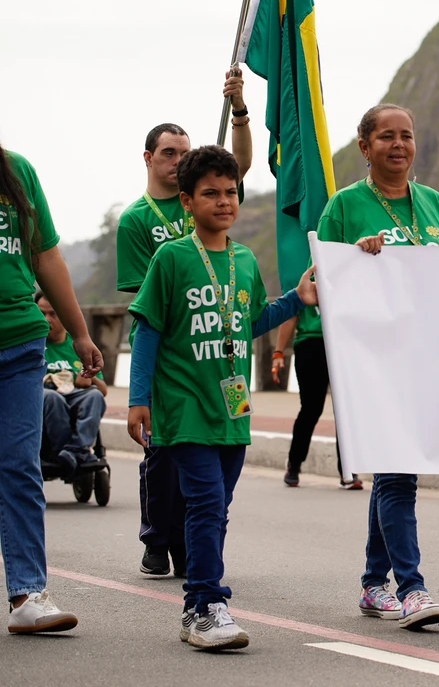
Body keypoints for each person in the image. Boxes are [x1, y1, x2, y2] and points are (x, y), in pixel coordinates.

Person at [317, 103, 439, 630]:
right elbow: (321, 282)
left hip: (431, 359)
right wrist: (355, 258)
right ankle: (412, 588)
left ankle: (373, 583)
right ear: (365, 147)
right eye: (386, 137)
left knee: (397, 470)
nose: (398, 145)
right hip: (377, 362)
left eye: (406, 136)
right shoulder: (345, 206)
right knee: (398, 472)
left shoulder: (434, 202)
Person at [126, 146, 316, 650]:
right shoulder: (171, 257)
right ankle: (207, 603)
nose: (224, 201)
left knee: (216, 507)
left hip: (232, 409)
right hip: (184, 405)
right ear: (187, 202)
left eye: (230, 191)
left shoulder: (244, 259)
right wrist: (138, 397)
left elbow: (249, 322)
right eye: (210, 193)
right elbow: (146, 328)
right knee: (208, 502)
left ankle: (198, 605)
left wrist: (296, 300)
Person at [117, 70, 253, 578]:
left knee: (214, 486)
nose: (177, 161)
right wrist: (140, 392)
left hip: (226, 373)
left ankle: (194, 549)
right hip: (175, 364)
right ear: (150, 158)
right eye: (168, 153)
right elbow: (145, 312)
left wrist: (238, 108)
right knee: (163, 459)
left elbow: (237, 165)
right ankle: (163, 541)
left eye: (184, 152)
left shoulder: (218, 214)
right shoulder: (138, 222)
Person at [2, 143, 102, 633]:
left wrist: (79, 334)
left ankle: (27, 594)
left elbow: (46, 257)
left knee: (19, 466)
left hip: (20, 342)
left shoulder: (16, 171)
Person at [273, 310, 361, 489]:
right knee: (311, 409)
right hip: (310, 344)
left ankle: (347, 472)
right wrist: (278, 352)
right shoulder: (301, 280)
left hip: (339, 343)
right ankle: (294, 465)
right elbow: (290, 314)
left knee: (343, 410)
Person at [37, 291, 107, 477]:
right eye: (42, 314)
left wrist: (90, 377)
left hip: (75, 395)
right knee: (50, 397)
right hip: (45, 396)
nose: (46, 319)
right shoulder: (34, 345)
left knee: (94, 395)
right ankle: (67, 452)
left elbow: (104, 390)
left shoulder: (78, 344)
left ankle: (76, 451)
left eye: (52, 314)